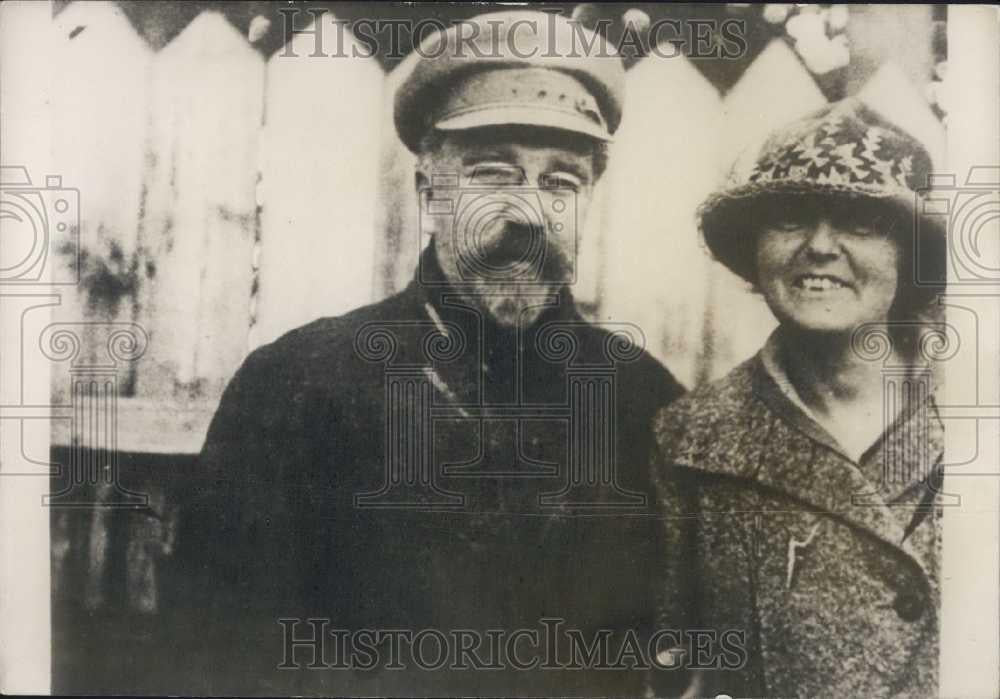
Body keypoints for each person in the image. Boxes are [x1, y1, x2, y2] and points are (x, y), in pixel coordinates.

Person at [174, 11, 685, 696]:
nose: (530, 214)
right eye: (493, 174)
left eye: (561, 182)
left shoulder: (644, 402)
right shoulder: (298, 386)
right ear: (429, 189)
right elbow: (221, 657)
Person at [653, 98, 948, 697]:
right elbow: (668, 669)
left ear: (910, 254)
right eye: (790, 219)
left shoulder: (977, 422)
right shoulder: (693, 442)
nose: (819, 246)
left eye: (859, 222)